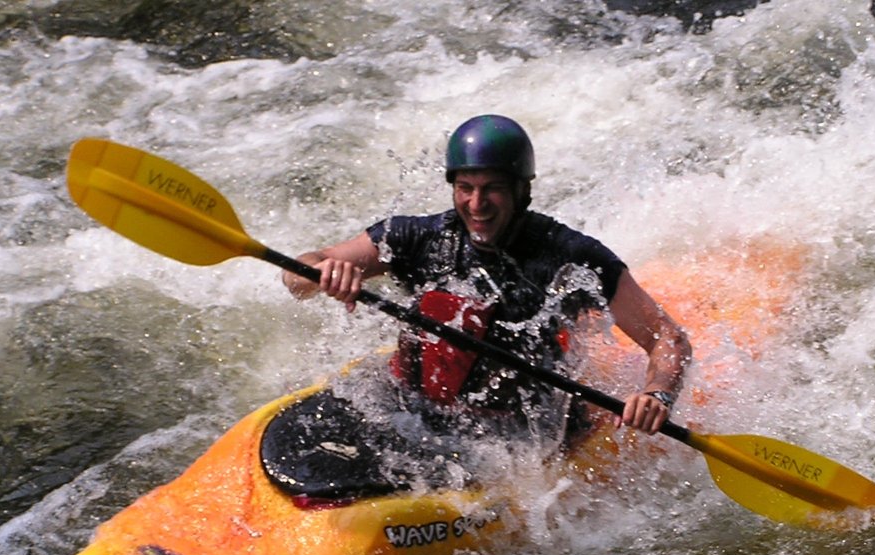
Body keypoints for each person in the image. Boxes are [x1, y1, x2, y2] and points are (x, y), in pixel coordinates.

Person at [282, 114, 691, 441]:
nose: (476, 204)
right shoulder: (415, 237)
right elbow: (297, 274)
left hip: (518, 432)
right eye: (465, 187)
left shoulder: (569, 257)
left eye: (492, 189)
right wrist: (322, 272)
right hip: (413, 404)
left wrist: (657, 394)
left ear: (520, 191)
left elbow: (667, 338)